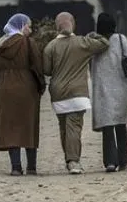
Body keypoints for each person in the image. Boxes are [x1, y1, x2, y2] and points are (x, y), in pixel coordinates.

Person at [42, 12, 109, 174]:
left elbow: (47, 70)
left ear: (56, 26)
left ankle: (69, 159)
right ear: (73, 24)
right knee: (74, 128)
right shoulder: (82, 42)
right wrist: (93, 35)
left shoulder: (50, 47)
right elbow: (104, 43)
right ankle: (73, 161)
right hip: (77, 93)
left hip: (57, 92)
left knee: (64, 128)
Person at [0, 13, 45, 176]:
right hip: (27, 87)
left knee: (10, 127)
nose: (30, 30)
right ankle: (31, 167)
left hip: (5, 88)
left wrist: (4, 75)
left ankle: (16, 167)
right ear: (22, 26)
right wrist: (41, 85)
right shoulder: (28, 43)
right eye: (28, 26)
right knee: (28, 125)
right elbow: (37, 65)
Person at [89, 13, 127, 172]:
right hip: (120, 86)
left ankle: (110, 162)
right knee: (121, 124)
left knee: (107, 126)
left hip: (101, 88)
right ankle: (124, 160)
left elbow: (90, 65)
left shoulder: (93, 42)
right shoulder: (121, 39)